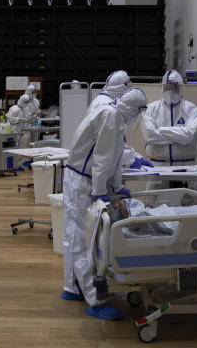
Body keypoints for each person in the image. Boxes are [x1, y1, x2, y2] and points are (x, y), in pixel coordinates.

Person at [60, 87, 149, 320]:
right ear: (132, 108)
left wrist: (117, 186)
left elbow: (115, 157)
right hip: (81, 181)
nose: (137, 118)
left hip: (83, 179)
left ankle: (74, 288)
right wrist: (101, 191)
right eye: (139, 112)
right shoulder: (110, 117)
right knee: (82, 239)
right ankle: (95, 300)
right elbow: (101, 159)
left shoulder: (115, 117)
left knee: (77, 234)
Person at [142, 70, 197, 183]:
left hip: (186, 167)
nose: (170, 91)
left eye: (174, 87)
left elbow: (189, 136)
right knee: (156, 199)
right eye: (167, 87)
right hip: (158, 167)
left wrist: (160, 131)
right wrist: (179, 134)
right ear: (162, 87)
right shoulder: (150, 109)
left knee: (187, 199)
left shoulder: (192, 109)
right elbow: (150, 136)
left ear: (180, 88)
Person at [87, 70, 151, 170]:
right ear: (121, 88)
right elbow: (109, 145)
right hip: (94, 168)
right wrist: (131, 160)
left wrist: (134, 157)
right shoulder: (107, 109)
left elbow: (118, 142)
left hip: (100, 166)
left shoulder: (109, 103)